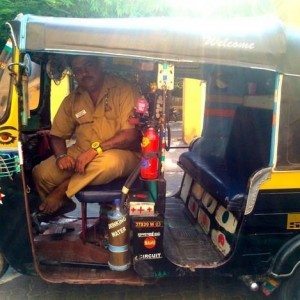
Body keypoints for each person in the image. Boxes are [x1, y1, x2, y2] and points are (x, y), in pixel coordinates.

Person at [33, 55, 141, 214]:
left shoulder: (124, 90)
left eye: (88, 65)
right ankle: (54, 211)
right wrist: (62, 156)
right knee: (41, 173)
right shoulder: (72, 100)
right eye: (78, 70)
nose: (84, 73)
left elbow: (130, 135)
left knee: (108, 164)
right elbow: (57, 135)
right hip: (82, 151)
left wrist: (94, 151)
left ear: (100, 64)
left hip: (122, 153)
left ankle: (62, 192)